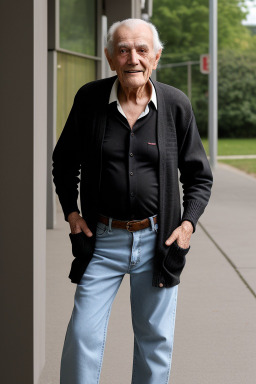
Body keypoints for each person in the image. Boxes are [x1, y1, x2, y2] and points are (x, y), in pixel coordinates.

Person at [52, 18, 213, 384]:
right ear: (110, 58)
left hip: (157, 241)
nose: (133, 58)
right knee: (82, 335)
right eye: (123, 50)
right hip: (102, 241)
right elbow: (64, 162)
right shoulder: (90, 99)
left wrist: (187, 225)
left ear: (155, 57)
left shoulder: (174, 105)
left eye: (142, 50)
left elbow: (199, 176)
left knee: (154, 342)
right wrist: (72, 212)